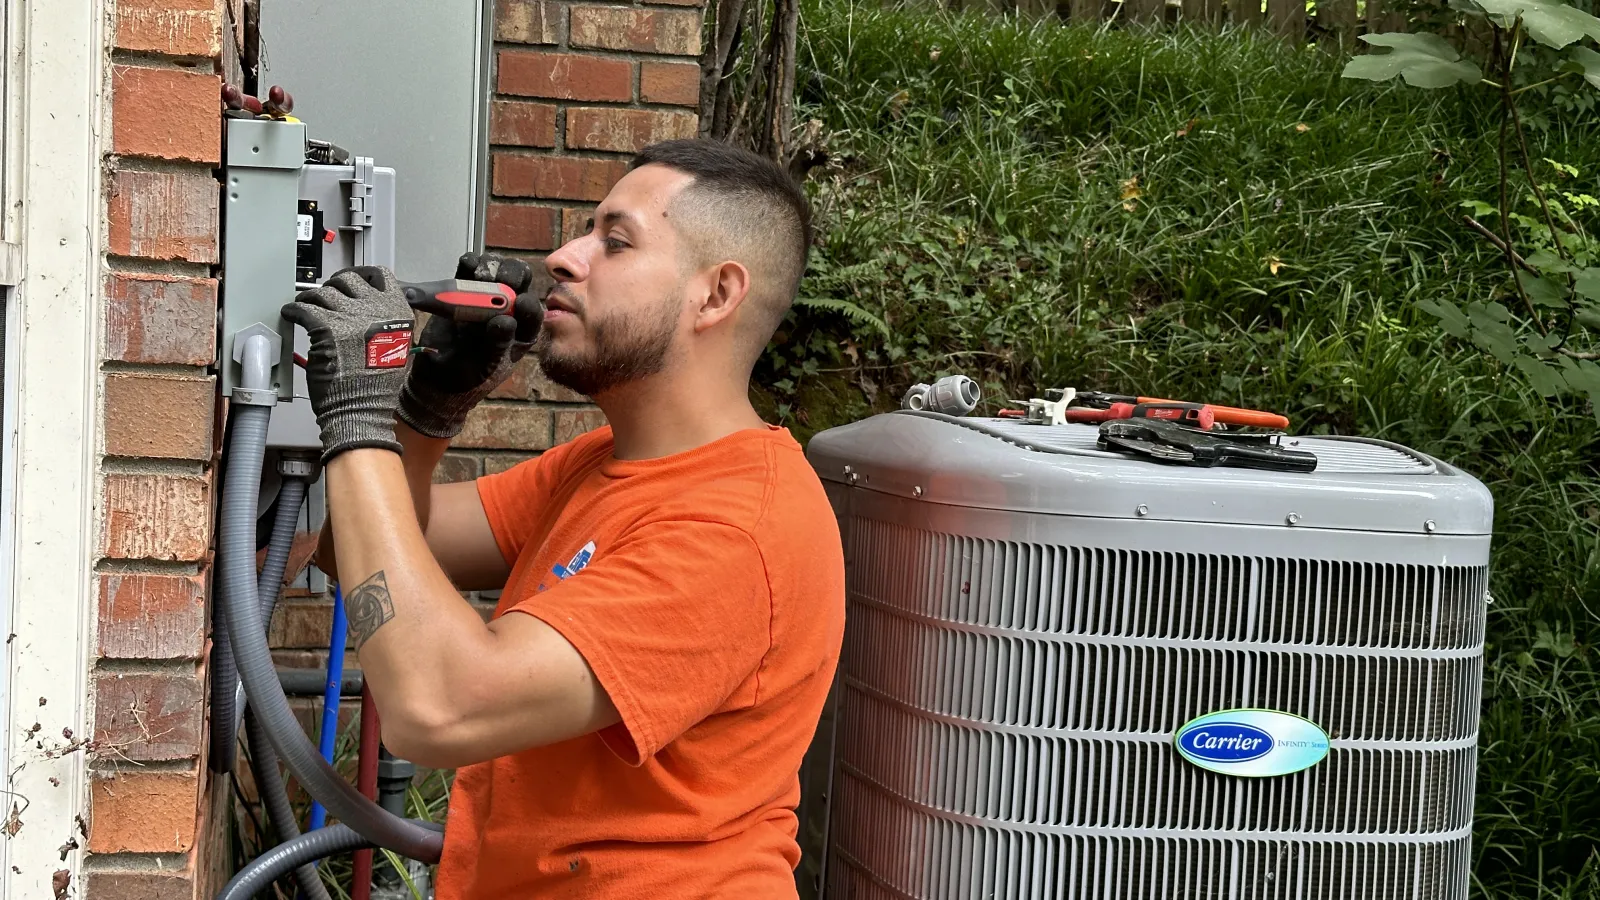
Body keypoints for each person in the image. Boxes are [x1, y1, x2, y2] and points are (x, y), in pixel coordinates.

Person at [285, 139, 846, 899]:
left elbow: (437, 706)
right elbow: (367, 542)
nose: (564, 257)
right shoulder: (607, 465)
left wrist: (359, 416)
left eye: (615, 242)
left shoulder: (735, 531)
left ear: (714, 296)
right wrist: (423, 409)